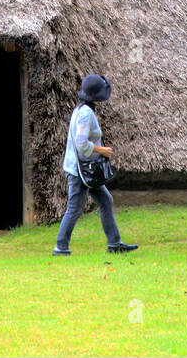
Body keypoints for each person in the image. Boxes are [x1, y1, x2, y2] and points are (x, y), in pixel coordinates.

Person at [53, 73, 138, 255]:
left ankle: (114, 243)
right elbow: (82, 144)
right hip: (81, 171)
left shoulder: (81, 109)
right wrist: (102, 150)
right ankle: (60, 247)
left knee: (106, 200)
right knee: (74, 209)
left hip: (83, 168)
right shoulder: (85, 114)